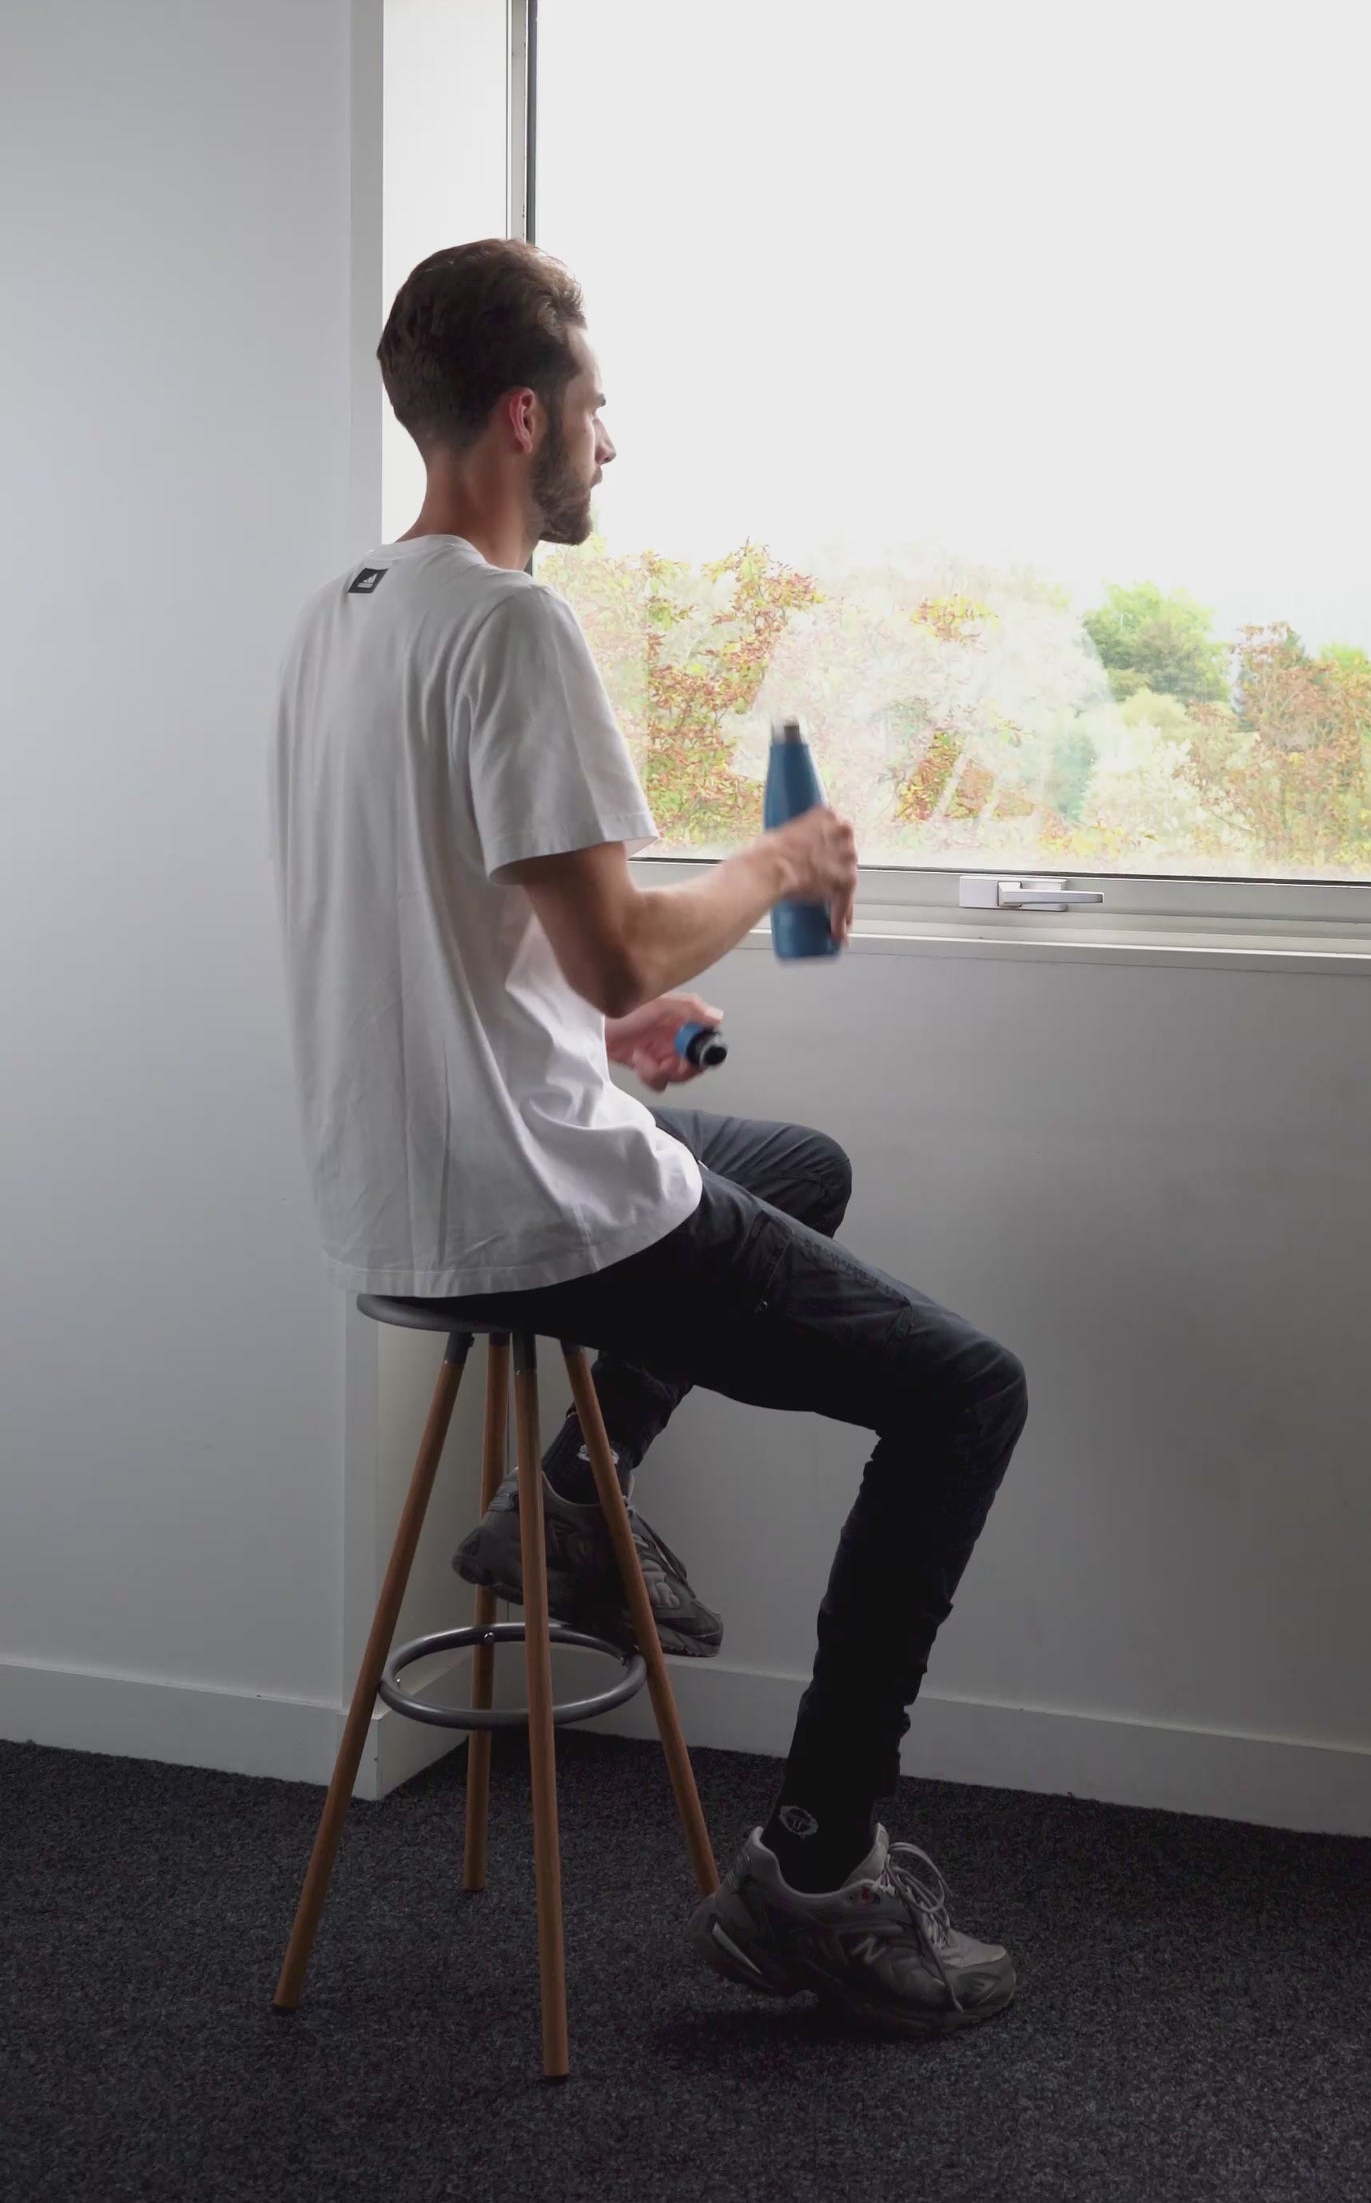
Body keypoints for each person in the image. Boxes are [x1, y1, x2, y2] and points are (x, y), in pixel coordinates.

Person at [269, 235, 1028, 2038]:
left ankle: (562, 1509)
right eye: (598, 407)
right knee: (963, 1393)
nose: (614, 441)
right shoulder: (514, 624)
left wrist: (601, 1035)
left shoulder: (343, 617)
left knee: (800, 1165)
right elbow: (614, 927)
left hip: (397, 1193)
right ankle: (821, 1873)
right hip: (534, 1212)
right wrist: (775, 868)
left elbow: (473, 931)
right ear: (526, 419)